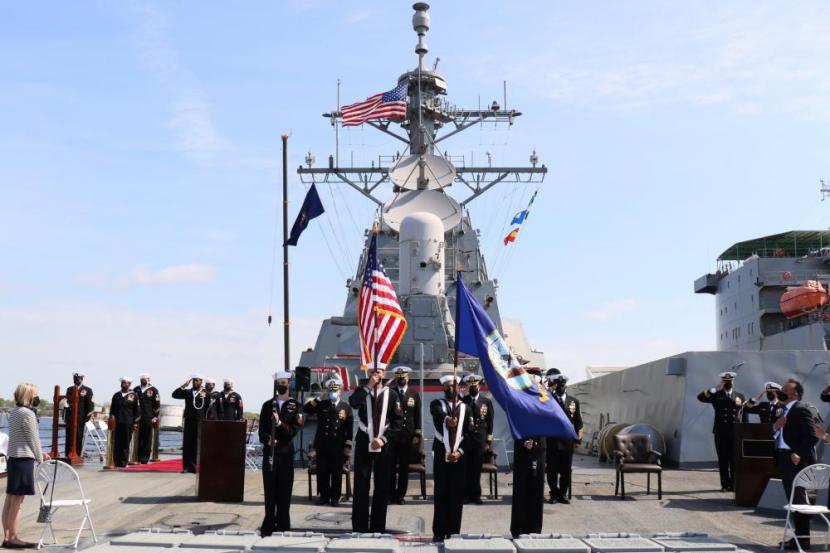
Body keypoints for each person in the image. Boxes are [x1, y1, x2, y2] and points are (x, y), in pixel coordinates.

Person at [349, 366, 403, 533]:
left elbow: (397, 422)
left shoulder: (392, 395)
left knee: (382, 486)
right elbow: (353, 403)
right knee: (361, 484)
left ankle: (378, 527)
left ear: (384, 373)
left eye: (379, 371)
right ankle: (359, 527)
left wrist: (383, 438)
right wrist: (368, 386)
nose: (376, 373)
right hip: (364, 441)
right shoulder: (362, 391)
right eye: (373, 371)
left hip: (383, 445)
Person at [3, 383, 49, 549]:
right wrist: (40, 458)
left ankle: (7, 536)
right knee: (18, 501)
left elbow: (21, 437)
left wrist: (39, 453)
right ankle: (14, 538)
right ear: (29, 395)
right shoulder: (28, 413)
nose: (37, 397)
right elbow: (33, 438)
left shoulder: (14, 412)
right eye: (35, 394)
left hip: (14, 458)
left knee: (10, 498)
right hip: (24, 459)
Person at [431, 375, 476, 542]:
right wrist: (447, 419)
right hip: (441, 455)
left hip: (459, 457)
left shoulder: (467, 408)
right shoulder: (437, 404)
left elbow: (471, 436)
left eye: (455, 385)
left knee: (456, 495)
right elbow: (437, 414)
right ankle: (438, 532)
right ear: (443, 388)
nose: (452, 389)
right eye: (449, 386)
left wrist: (460, 452)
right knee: (441, 493)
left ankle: (453, 532)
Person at [774, 378, 818, 551]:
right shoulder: (783, 411)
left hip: (796, 461)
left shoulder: (801, 409)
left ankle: (803, 540)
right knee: (793, 500)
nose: (781, 391)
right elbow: (781, 434)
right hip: (784, 459)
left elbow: (812, 436)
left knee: (799, 501)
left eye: (785, 389)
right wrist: (775, 428)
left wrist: (799, 453)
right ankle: (799, 538)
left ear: (795, 394)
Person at [260, 371, 303, 535]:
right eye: (278, 382)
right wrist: (267, 439)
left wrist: (278, 423)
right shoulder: (267, 405)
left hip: (285, 454)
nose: (281, 385)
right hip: (270, 454)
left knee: (284, 491)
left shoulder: (295, 406)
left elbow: (292, 431)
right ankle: (269, 524)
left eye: (284, 382)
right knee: (270, 491)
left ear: (289, 384)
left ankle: (284, 525)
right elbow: (262, 430)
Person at [303, 375, 353, 506]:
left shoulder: (346, 407)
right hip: (322, 444)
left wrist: (348, 446)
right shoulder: (322, 404)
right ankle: (324, 496)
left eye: (335, 390)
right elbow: (306, 409)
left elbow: (349, 429)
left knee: (336, 473)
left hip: (338, 446)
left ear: (340, 391)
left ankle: (335, 498)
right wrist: (320, 397)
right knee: (322, 472)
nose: (333, 393)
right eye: (330, 390)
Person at [510, 367, 546, 538]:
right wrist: (524, 441)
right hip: (522, 449)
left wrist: (536, 442)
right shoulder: (519, 402)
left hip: (538, 451)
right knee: (521, 490)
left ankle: (535, 528)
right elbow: (515, 422)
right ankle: (518, 528)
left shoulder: (544, 401)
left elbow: (546, 423)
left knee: (536, 491)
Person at [697, 371, 746, 491]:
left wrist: (743, 430)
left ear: (733, 381)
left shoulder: (740, 396)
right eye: (725, 381)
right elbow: (700, 397)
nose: (728, 383)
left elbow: (744, 414)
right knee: (723, 459)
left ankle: (734, 484)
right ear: (722, 382)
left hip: (735, 432)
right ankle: (725, 485)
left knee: (734, 459)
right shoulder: (716, 395)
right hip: (720, 432)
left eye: (730, 381)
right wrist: (714, 389)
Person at [546, 373, 582, 504]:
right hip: (552, 440)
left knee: (566, 470)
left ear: (566, 386)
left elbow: (578, 422)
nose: (561, 387)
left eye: (563, 385)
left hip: (567, 441)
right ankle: (553, 494)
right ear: (555, 386)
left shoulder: (574, 401)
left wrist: (578, 439)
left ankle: (563, 494)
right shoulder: (549, 399)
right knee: (552, 470)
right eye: (559, 385)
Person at [388, 366, 421, 505]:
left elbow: (417, 415)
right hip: (392, 435)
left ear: (408, 378)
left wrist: (417, 434)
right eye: (399, 378)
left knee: (403, 468)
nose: (402, 380)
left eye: (404, 377)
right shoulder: (390, 392)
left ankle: (400, 495)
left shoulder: (414, 394)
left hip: (407, 436)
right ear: (396, 379)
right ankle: (390, 494)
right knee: (390, 467)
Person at [462, 373, 493, 504]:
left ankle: (476, 495)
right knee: (466, 469)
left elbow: (490, 423)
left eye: (475, 385)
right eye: (471, 386)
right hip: (466, 440)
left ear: (479, 386)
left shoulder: (486, 402)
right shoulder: (463, 401)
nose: (473, 388)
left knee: (476, 470)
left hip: (480, 440)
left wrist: (488, 441)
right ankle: (466, 495)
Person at [172, 375, 207, 473]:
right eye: (194, 380)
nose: (195, 382)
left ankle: (195, 466)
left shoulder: (206, 393)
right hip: (189, 420)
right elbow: (174, 395)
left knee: (197, 444)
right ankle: (187, 466)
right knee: (187, 444)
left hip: (200, 421)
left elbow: (208, 407)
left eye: (198, 380)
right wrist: (183, 386)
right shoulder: (188, 392)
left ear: (201, 382)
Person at [109, 377, 140, 468]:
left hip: (128, 422)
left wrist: (135, 423)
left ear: (130, 384)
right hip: (117, 423)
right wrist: (111, 417)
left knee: (125, 443)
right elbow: (112, 409)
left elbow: (137, 411)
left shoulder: (134, 395)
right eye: (123, 382)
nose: (124, 384)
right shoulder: (116, 395)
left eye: (126, 383)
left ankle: (123, 462)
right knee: (116, 442)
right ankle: (115, 461)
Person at [64, 371, 94, 457]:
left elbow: (90, 405)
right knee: (69, 437)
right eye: (74, 378)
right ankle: (68, 454)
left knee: (78, 437)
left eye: (77, 379)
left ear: (81, 379)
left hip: (80, 418)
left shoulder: (87, 390)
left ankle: (77, 454)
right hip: (70, 417)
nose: (75, 380)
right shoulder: (69, 389)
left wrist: (86, 418)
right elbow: (67, 403)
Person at [134, 373, 160, 464]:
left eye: (145, 379)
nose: (143, 380)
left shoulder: (154, 390)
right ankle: (136, 457)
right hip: (137, 417)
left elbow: (157, 404)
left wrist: (155, 416)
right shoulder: (136, 389)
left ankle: (144, 458)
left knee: (146, 438)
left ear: (148, 380)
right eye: (142, 379)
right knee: (137, 438)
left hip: (148, 417)